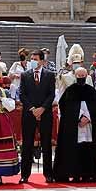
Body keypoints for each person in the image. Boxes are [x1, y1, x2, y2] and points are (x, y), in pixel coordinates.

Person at [55, 66, 96, 183]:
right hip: (74, 127)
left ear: (86, 76)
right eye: (79, 76)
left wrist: (88, 117)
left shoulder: (91, 90)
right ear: (75, 76)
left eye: (83, 76)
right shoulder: (70, 90)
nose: (81, 78)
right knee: (74, 150)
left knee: (88, 149)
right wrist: (79, 117)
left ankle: (88, 174)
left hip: (89, 126)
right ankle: (74, 173)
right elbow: (65, 107)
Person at [18, 49, 55, 183]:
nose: (33, 61)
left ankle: (48, 174)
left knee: (46, 145)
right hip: (29, 114)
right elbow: (22, 94)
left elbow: (51, 94)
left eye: (35, 59)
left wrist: (42, 108)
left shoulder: (50, 75)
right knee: (27, 145)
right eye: (32, 59)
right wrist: (33, 109)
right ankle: (25, 175)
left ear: (42, 60)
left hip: (45, 113)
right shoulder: (25, 75)